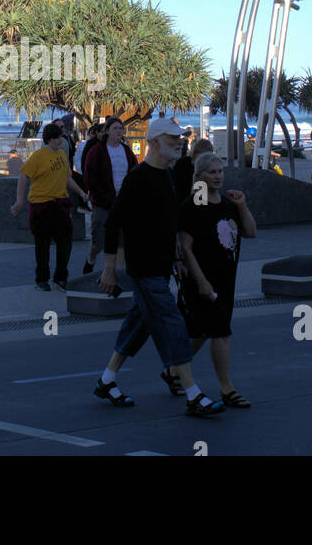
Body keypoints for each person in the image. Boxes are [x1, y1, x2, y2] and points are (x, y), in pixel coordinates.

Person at [93, 117, 224, 416]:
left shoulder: (166, 174)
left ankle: (107, 379)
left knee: (138, 323)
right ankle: (192, 393)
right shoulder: (138, 178)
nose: (179, 143)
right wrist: (109, 269)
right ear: (154, 143)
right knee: (173, 323)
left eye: (180, 138)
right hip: (144, 268)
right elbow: (113, 223)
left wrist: (177, 258)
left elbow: (169, 222)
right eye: (172, 138)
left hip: (162, 265)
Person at [170, 152, 256, 408]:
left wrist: (242, 206)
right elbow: (185, 248)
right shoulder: (193, 205)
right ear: (199, 176)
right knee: (220, 332)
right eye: (212, 172)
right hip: (201, 281)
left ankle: (173, 370)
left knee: (200, 332)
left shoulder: (229, 203)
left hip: (226, 278)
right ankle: (227, 389)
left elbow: (251, 232)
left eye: (220, 172)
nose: (218, 177)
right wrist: (202, 282)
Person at [10, 122, 89, 291]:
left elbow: (67, 178)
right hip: (41, 204)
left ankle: (60, 277)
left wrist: (81, 193)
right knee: (43, 244)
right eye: (59, 137)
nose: (61, 140)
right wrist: (19, 201)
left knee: (65, 242)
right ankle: (42, 278)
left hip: (60, 204)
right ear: (51, 139)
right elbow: (23, 175)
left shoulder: (61, 154)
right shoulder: (39, 156)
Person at [81, 116, 137, 275]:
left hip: (122, 204)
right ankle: (91, 259)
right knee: (99, 241)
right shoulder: (97, 151)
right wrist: (102, 197)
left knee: (120, 241)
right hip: (103, 203)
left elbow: (134, 172)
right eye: (115, 128)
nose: (119, 131)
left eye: (121, 128)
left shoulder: (126, 150)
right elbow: (90, 176)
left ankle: (116, 274)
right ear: (107, 131)